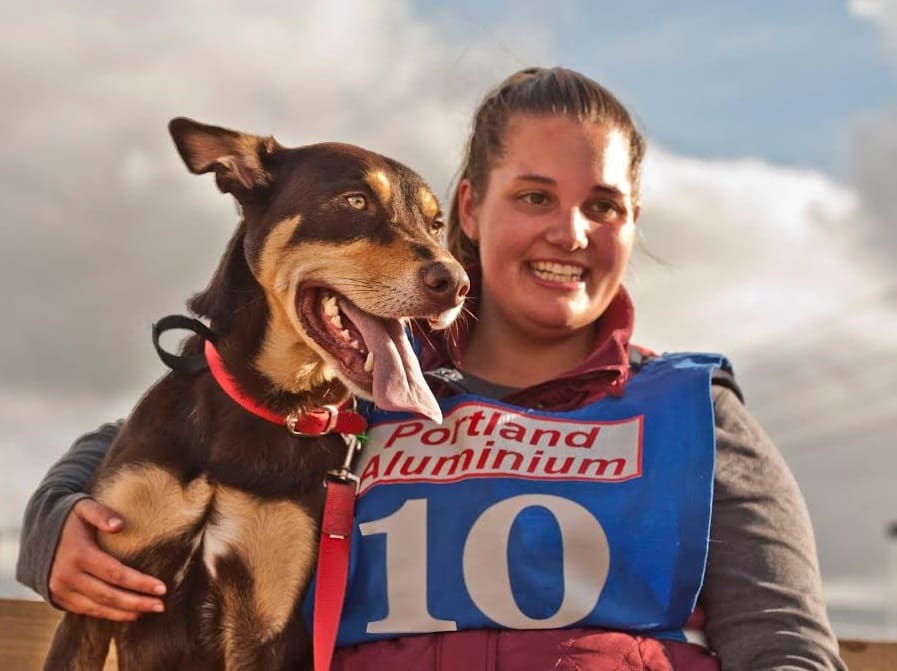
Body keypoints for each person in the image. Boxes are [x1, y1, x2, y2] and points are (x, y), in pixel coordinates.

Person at [17, 67, 846, 670]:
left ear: (631, 225)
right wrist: (55, 523)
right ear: (466, 212)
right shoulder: (350, 378)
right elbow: (158, 428)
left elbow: (783, 642)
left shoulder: (692, 411)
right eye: (533, 197)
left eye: (603, 205)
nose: (571, 232)